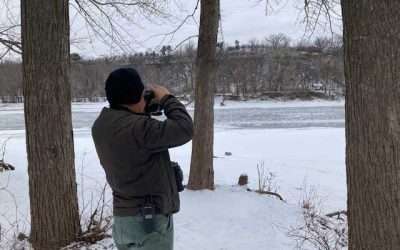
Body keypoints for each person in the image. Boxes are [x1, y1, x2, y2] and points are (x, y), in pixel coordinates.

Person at [91, 68, 193, 250]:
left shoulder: (101, 125)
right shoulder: (141, 129)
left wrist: (143, 105)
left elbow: (132, 128)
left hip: (123, 221)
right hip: (149, 224)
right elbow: (184, 128)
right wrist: (167, 99)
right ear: (137, 96)